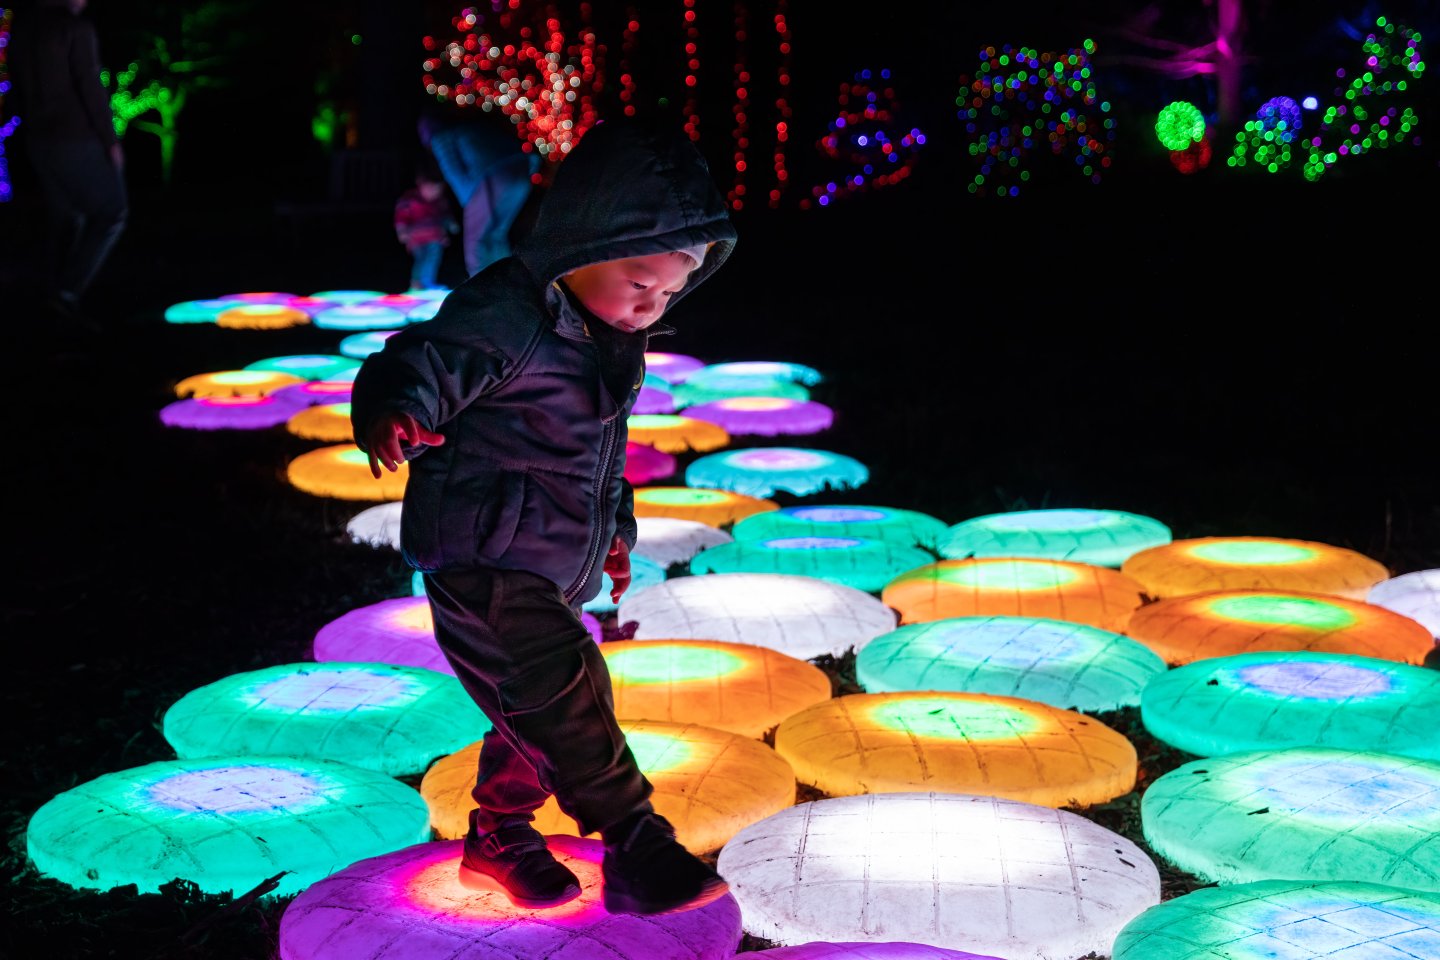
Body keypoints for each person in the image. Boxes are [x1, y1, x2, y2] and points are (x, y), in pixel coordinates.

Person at [350, 116, 737, 915]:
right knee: (562, 691)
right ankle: (638, 844)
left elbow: (598, 453)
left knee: (539, 706)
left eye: (669, 293)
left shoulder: (609, 339)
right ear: (584, 243)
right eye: (639, 282)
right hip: (481, 553)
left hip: (552, 561)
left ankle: (499, 837)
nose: (650, 306)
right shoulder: (508, 315)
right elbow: (415, 363)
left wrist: (615, 533)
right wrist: (396, 408)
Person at [7, 0, 127, 329]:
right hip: (75, 136)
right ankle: (65, 294)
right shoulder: (75, 29)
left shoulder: (25, 28)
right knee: (112, 212)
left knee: (67, 218)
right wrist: (110, 140)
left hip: (39, 140)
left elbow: (17, 85)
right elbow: (90, 84)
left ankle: (56, 305)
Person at [419, 108, 541, 277]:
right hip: (521, 170)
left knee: (476, 241)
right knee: (497, 234)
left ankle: (480, 287)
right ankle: (506, 282)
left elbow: (452, 170)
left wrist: (470, 200)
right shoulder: (471, 127)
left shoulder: (441, 137)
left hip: (493, 175)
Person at [393, 165, 457, 291]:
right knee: (421, 259)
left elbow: (445, 216)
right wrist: (401, 232)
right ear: (420, 183)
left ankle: (428, 282)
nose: (434, 192)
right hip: (416, 238)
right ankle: (416, 283)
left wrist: (450, 224)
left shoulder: (440, 202)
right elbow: (401, 217)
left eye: (438, 189)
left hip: (436, 238)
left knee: (433, 259)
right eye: (430, 188)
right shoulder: (410, 200)